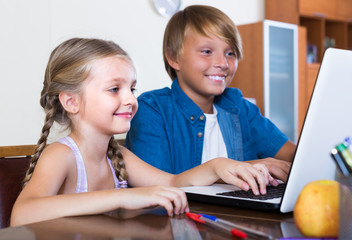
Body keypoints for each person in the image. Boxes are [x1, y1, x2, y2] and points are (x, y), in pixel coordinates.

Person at [11, 38, 273, 226]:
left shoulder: (117, 155)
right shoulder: (62, 155)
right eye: (115, 89)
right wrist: (122, 196)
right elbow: (22, 214)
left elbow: (171, 183)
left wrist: (217, 167)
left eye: (132, 89)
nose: (130, 100)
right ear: (71, 101)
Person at [126, 5, 296, 184]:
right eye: (207, 52)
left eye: (230, 53)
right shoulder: (153, 109)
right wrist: (247, 168)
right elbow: (158, 187)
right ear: (174, 57)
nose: (223, 63)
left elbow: (293, 155)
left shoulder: (240, 108)